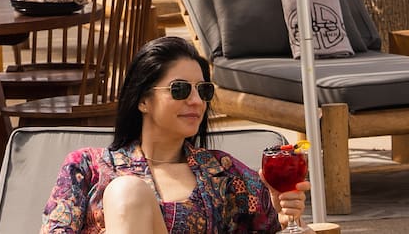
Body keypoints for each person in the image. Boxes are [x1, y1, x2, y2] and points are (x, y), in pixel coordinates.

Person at [43, 36, 308, 233]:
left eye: (203, 91)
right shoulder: (87, 167)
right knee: (128, 191)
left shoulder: (226, 175)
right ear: (142, 100)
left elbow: (278, 226)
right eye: (179, 89)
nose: (196, 101)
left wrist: (281, 216)